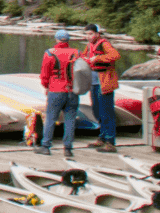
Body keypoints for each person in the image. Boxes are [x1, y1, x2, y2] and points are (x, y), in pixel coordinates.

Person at [37, 28, 83, 157]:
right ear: (68, 40)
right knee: (70, 120)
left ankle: (46, 146)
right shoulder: (77, 53)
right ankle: (68, 149)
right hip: (72, 90)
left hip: (56, 90)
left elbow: (45, 74)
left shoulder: (50, 53)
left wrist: (46, 86)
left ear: (56, 39)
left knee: (51, 118)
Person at [83, 23, 121, 152]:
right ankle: (102, 137)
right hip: (93, 83)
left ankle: (110, 141)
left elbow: (115, 55)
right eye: (87, 34)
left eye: (91, 34)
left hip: (104, 83)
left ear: (97, 34)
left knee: (107, 112)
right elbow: (83, 57)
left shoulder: (104, 44)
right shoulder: (89, 46)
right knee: (97, 111)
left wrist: (98, 58)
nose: (88, 37)